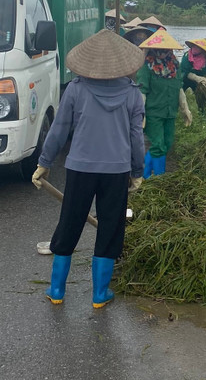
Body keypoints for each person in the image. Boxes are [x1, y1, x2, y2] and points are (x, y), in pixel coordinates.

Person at [31, 30, 146, 309]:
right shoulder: (133, 95)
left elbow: (59, 130)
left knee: (69, 223)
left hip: (80, 168)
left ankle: (57, 290)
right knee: (110, 227)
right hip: (116, 171)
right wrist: (137, 170)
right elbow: (136, 138)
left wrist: (44, 163)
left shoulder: (75, 89)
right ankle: (99, 294)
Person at [136, 29, 193, 178]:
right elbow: (142, 91)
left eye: (165, 50)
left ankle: (146, 176)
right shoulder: (146, 66)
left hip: (170, 112)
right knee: (157, 145)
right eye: (159, 50)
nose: (162, 53)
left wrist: (185, 109)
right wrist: (141, 115)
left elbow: (178, 87)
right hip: (153, 112)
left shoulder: (174, 64)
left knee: (166, 144)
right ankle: (153, 178)